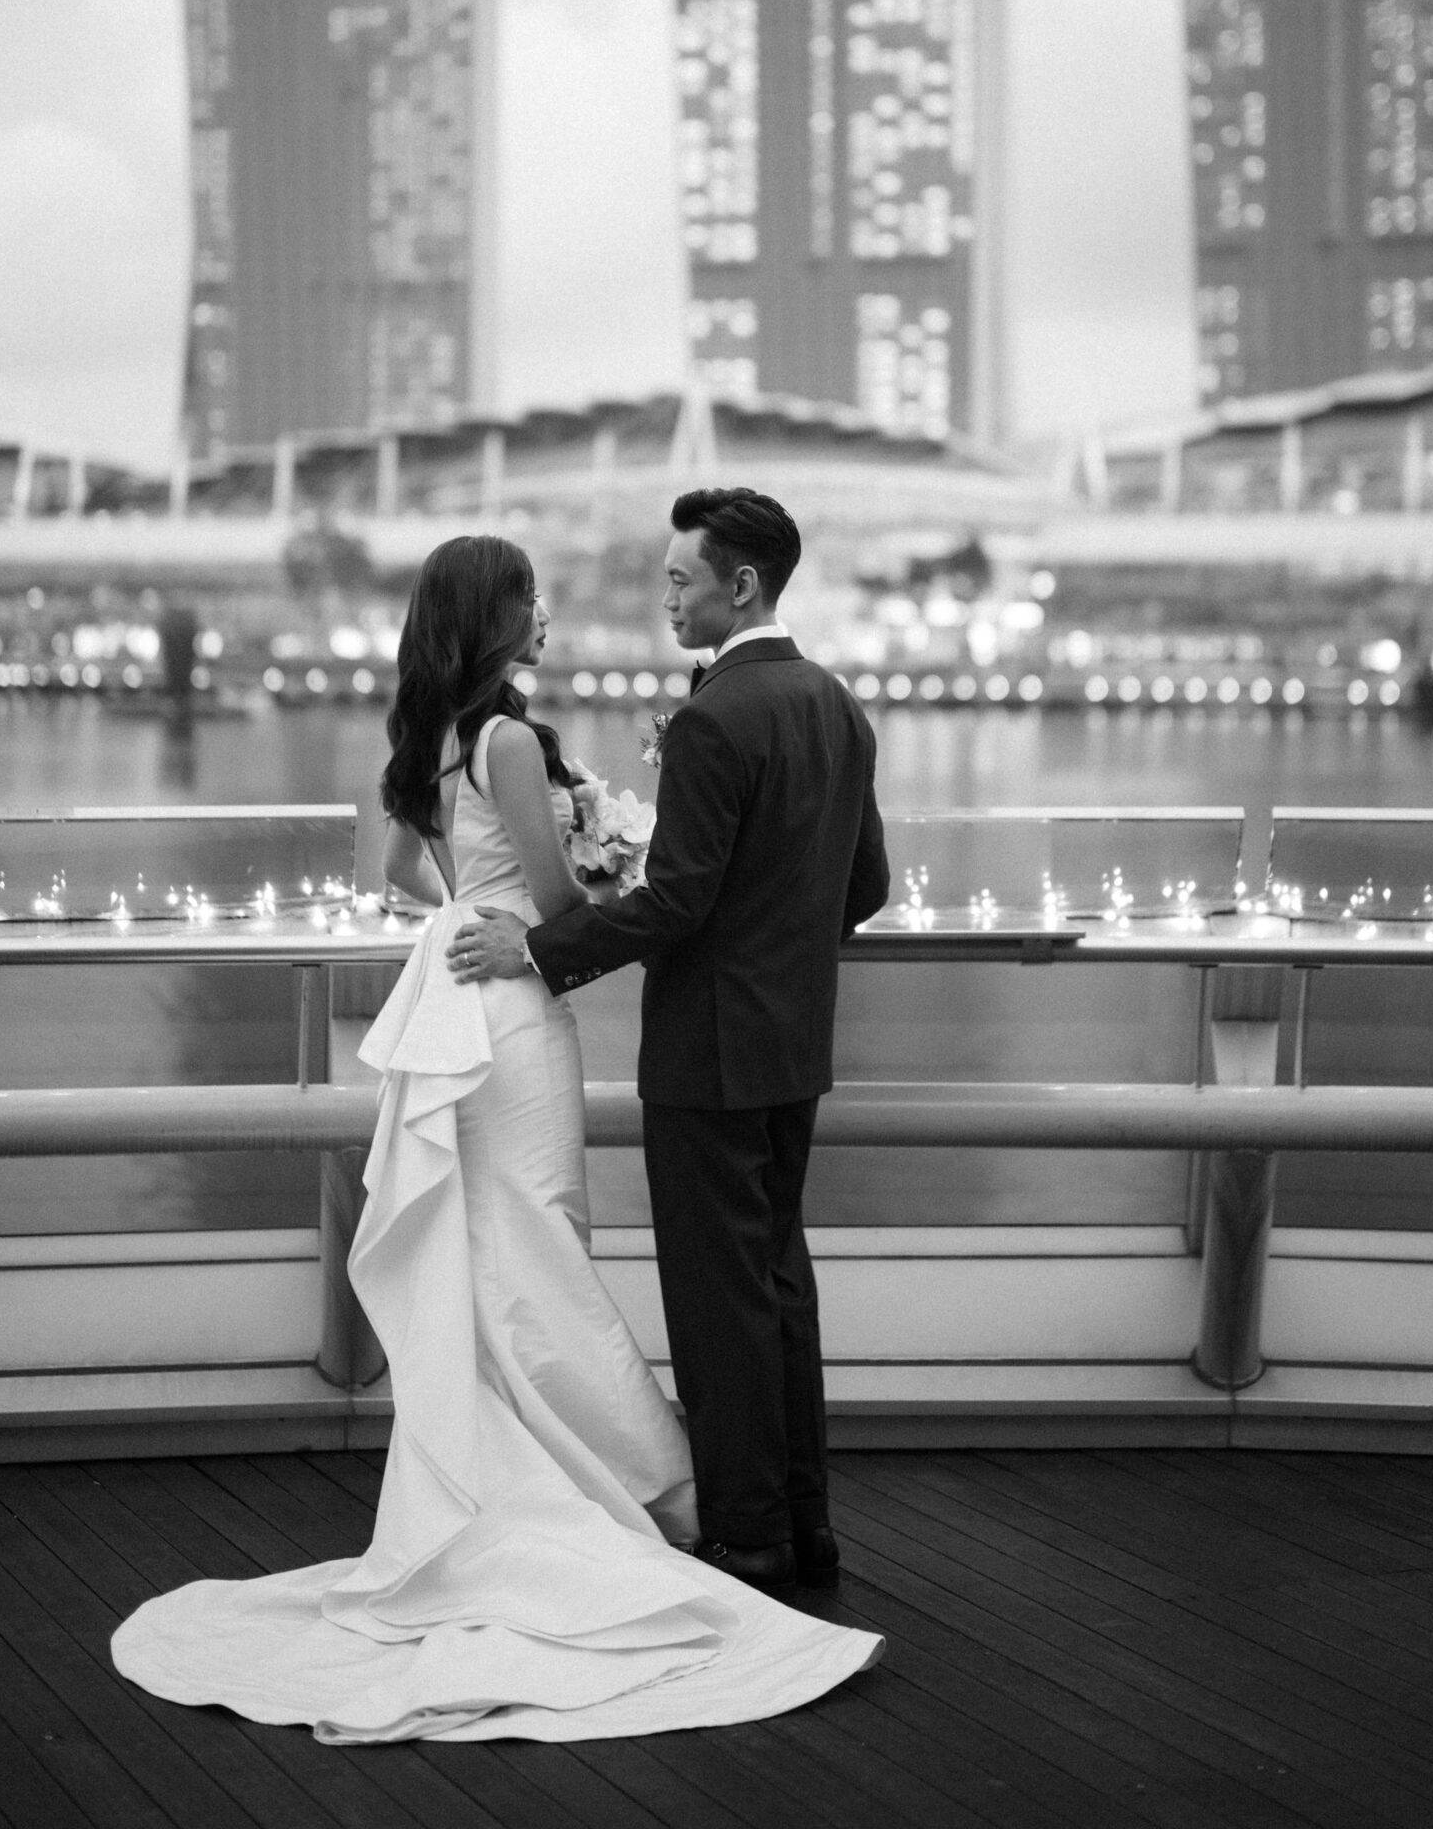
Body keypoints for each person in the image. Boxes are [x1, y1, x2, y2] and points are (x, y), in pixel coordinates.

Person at [111, 534, 879, 1743]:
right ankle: (665, 1486)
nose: (549, 616)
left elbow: (399, 872)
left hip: (474, 1005)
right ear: (493, 618)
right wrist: (580, 876)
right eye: (531, 600)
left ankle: (594, 1482)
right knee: (563, 1241)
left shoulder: (432, 739)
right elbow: (576, 905)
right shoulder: (531, 738)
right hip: (530, 1017)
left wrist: (488, 905)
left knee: (502, 1246)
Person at [450, 488, 889, 1597]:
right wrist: (779, 947)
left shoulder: (712, 719)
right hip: (794, 1045)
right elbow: (867, 884)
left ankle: (746, 1537)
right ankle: (806, 1524)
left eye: (680, 579)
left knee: (716, 1298)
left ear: (741, 584)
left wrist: (541, 953)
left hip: (706, 1052)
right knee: (780, 1281)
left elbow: (682, 903)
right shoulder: (836, 706)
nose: (667, 597)